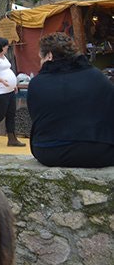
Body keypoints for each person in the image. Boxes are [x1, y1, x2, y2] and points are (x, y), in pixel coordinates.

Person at [28, 32, 114, 167]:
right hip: (99, 151)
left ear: (49, 56)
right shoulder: (98, 77)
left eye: (41, 57)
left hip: (48, 151)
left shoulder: (36, 83)